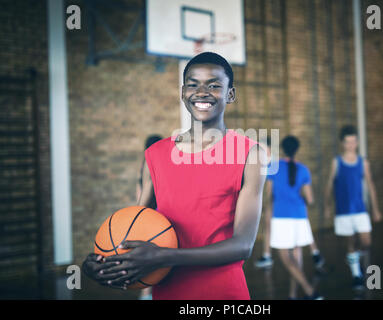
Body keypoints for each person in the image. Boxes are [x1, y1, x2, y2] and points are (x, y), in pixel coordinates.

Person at [82, 52, 268, 299]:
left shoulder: (249, 154)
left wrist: (164, 256)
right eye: (193, 84)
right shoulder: (155, 155)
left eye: (214, 85)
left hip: (224, 292)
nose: (202, 92)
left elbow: (243, 245)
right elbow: (136, 228)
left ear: (230, 94)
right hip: (168, 290)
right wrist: (104, 262)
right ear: (183, 92)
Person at [324, 125, 382, 290]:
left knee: (366, 242)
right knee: (350, 243)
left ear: (357, 142)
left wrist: (375, 209)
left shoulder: (363, 162)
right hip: (342, 211)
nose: (351, 145)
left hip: (360, 209)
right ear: (342, 143)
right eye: (347, 142)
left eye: (353, 142)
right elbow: (329, 184)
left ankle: (355, 259)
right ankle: (356, 275)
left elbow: (370, 185)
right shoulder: (336, 162)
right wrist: (327, 206)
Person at [266, 135, 323, 300]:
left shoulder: (273, 167)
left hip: (281, 217)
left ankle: (310, 291)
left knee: (286, 259)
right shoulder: (304, 169)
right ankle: (292, 295)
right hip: (300, 216)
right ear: (297, 149)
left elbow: (269, 195)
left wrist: (266, 211)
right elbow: (310, 200)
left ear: (283, 149)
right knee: (296, 260)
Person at [135, 134, 162, 300]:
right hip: (156, 218)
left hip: (152, 217)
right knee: (154, 263)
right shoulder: (151, 164)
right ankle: (146, 294)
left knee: (152, 263)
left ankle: (146, 294)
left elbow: (138, 195)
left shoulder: (145, 165)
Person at [254, 137, 274, 268]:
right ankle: (267, 255)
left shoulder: (273, 163)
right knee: (267, 228)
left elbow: (269, 189)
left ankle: (267, 255)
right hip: (262, 201)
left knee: (269, 227)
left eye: (263, 147)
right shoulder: (258, 163)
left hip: (272, 202)